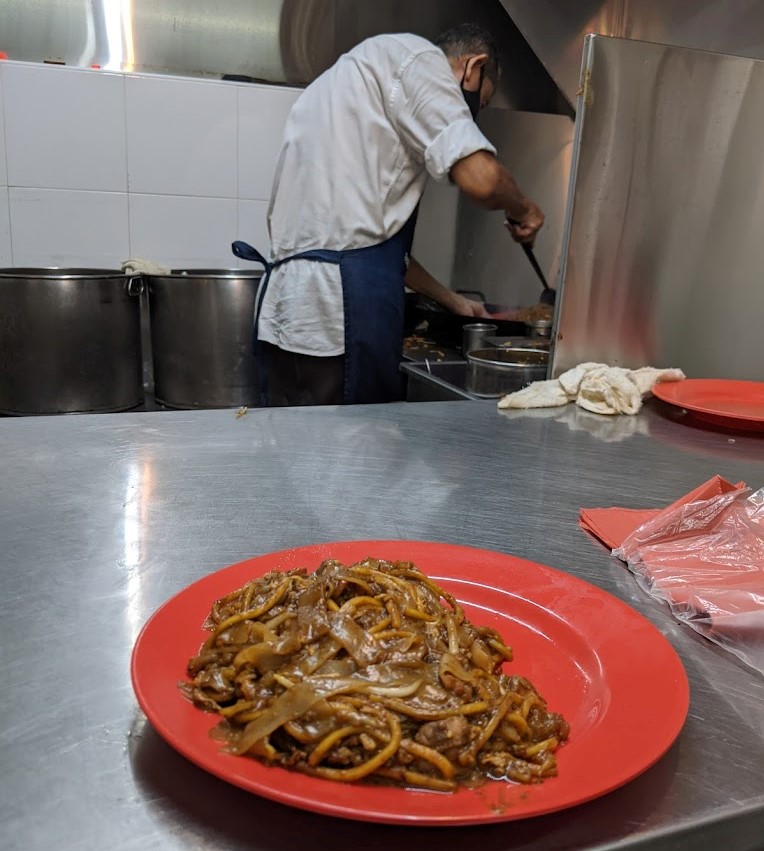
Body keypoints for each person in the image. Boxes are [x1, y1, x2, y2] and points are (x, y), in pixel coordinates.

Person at [232, 23, 545, 406]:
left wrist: (455, 302)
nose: (474, 111)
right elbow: (482, 181)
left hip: (288, 315)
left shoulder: (342, 83)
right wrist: (525, 209)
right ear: (472, 67)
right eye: (484, 99)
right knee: (359, 456)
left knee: (296, 455)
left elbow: (365, 244)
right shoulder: (420, 63)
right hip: (340, 319)